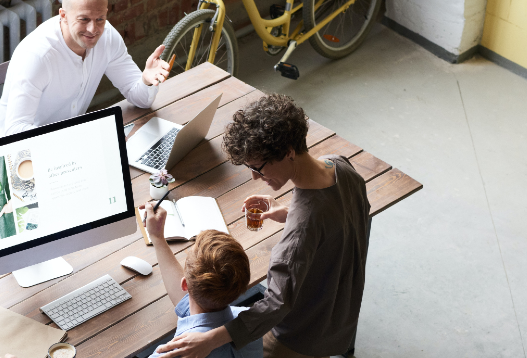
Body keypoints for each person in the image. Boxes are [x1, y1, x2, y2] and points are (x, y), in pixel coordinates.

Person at [154, 94, 372, 358]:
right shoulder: (339, 165)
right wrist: (290, 213)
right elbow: (343, 214)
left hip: (300, 338)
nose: (255, 176)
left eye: (258, 167)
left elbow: (276, 303)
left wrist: (211, 340)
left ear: (289, 152)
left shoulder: (301, 231)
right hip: (341, 313)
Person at [0, 0, 171, 140]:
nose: (93, 29)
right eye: (84, 19)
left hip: (67, 142)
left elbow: (141, 100)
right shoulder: (38, 56)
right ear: (64, 16)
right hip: (15, 151)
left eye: (100, 18)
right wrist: (77, 140)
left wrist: (146, 80)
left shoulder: (108, 38)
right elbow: (15, 132)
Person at [141, 201, 264, 358]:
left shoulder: (172, 352)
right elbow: (189, 303)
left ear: (185, 284)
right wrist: (157, 238)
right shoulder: (251, 322)